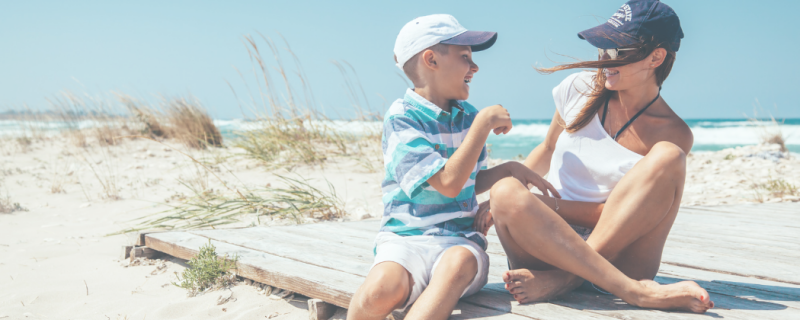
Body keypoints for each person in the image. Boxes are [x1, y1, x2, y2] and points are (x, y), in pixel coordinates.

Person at [474, 0, 715, 313]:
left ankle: (569, 280)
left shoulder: (674, 133)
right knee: (505, 190)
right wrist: (515, 202)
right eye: (602, 48)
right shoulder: (580, 88)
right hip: (548, 245)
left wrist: (549, 205)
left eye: (616, 51)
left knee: (670, 156)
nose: (604, 59)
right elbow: (547, 150)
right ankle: (628, 290)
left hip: (621, 257)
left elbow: (623, 217)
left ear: (656, 57)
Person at [347, 14, 558, 320]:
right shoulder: (402, 117)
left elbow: (468, 180)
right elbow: (448, 183)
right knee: (380, 289)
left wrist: (509, 169)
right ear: (430, 60)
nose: (474, 67)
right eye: (465, 57)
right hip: (406, 240)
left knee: (457, 264)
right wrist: (484, 124)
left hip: (460, 242)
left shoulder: (467, 117)